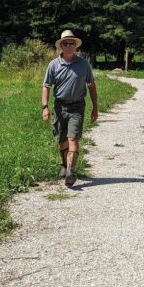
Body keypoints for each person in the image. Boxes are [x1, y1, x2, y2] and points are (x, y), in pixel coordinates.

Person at [42, 29, 98, 187]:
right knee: (62, 140)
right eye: (65, 44)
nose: (69, 46)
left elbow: (92, 86)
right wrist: (45, 107)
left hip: (77, 107)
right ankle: (65, 165)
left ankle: (70, 172)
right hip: (60, 106)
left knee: (73, 138)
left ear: (75, 46)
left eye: (72, 43)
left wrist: (95, 108)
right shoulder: (53, 65)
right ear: (61, 46)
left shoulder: (83, 65)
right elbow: (46, 86)